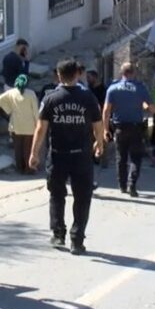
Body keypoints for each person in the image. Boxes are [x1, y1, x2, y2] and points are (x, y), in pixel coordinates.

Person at [30, 60, 104, 254]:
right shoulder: (88, 98)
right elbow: (98, 125)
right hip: (81, 156)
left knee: (57, 195)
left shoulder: (51, 98)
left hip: (57, 156)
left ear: (59, 75)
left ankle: (58, 234)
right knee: (82, 197)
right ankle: (77, 240)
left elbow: (40, 128)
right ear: (77, 74)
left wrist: (34, 153)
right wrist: (100, 144)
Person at [103, 63, 155, 197]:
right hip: (136, 127)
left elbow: (106, 111)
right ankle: (132, 184)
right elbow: (152, 108)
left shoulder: (113, 88)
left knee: (121, 157)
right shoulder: (140, 88)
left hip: (119, 127)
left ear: (122, 73)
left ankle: (122, 185)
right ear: (134, 73)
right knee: (136, 157)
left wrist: (105, 129)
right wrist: (144, 107)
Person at [0, 74, 40, 174]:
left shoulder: (11, 92)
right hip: (29, 127)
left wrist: (8, 109)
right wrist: (38, 124)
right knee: (28, 149)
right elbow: (35, 112)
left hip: (16, 126)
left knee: (18, 148)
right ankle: (29, 169)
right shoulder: (31, 94)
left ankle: (19, 168)